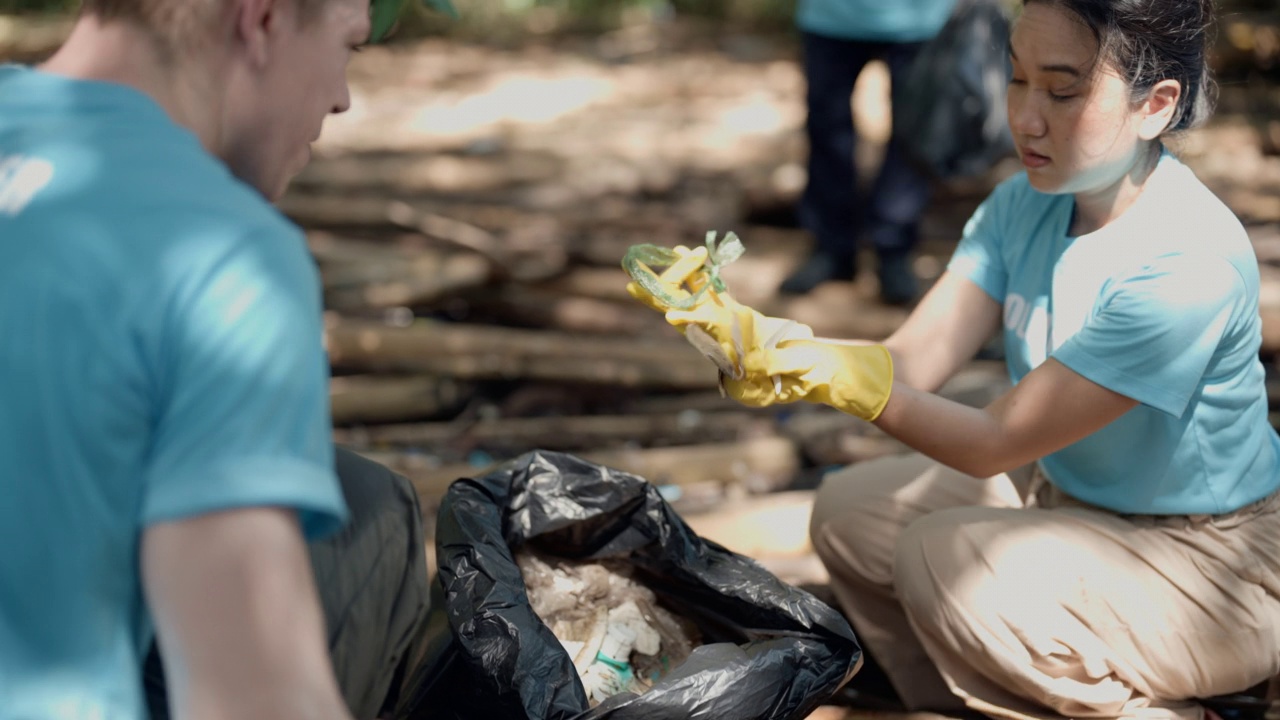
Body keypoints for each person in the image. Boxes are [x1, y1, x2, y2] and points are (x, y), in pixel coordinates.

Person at [630, 0, 1280, 718]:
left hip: (1212, 565)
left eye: (1062, 91)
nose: (1026, 118)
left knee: (942, 558)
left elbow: (992, 441)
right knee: (849, 512)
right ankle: (965, 705)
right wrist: (772, 345)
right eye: (1016, 79)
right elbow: (911, 363)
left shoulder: (1185, 265)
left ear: (1157, 106)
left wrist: (838, 378)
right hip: (1067, 504)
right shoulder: (1021, 205)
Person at [0, 0, 449, 718]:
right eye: (349, 46)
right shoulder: (218, 256)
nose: (341, 96)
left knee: (359, 494)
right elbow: (250, 697)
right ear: (261, 19)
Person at [780, 0, 957, 304]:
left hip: (922, 20)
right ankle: (831, 248)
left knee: (913, 137)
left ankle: (894, 249)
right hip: (829, 17)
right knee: (827, 131)